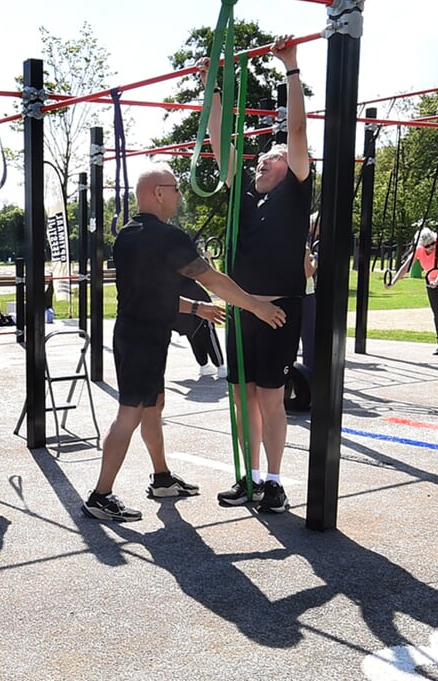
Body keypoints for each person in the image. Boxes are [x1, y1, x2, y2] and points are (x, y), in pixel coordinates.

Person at [82, 165, 285, 522]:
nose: (179, 195)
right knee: (129, 414)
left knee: (152, 406)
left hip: (137, 334)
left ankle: (161, 478)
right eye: (174, 188)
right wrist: (258, 307)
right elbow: (214, 279)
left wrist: (196, 308)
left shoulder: (128, 236)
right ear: (157, 193)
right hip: (142, 339)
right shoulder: (166, 236)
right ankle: (100, 495)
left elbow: (150, 294)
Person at [207, 37, 312, 514]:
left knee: (271, 398)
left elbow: (295, 132)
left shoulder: (295, 192)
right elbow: (215, 138)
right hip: (243, 307)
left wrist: (290, 68)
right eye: (263, 157)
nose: (266, 159)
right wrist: (214, 85)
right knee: (240, 398)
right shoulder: (243, 199)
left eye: (274, 156)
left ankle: (274, 481)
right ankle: (248, 478)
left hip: (279, 309)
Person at [399, 228, 438, 356]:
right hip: (431, 282)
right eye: (427, 245)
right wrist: (393, 280)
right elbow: (406, 267)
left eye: (432, 243)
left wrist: (437, 281)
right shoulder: (419, 250)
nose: (431, 246)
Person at [169, 274, 224, 380]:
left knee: (192, 331)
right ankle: (219, 365)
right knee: (205, 331)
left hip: (179, 295)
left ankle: (204, 364)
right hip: (193, 295)